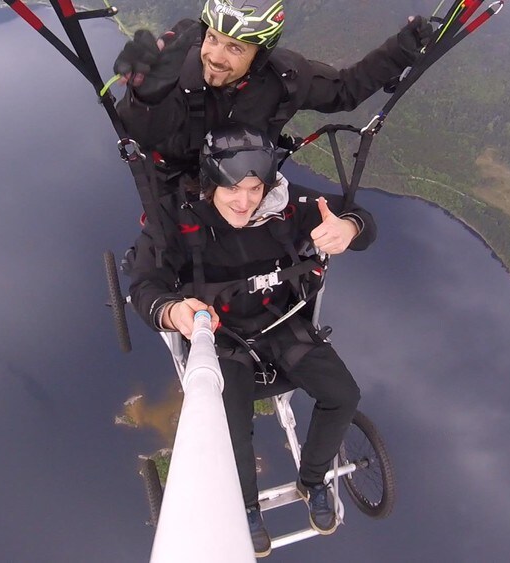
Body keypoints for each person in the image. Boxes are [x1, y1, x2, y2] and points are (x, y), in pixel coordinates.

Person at [127, 124, 376, 557]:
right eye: (232, 190)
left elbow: (360, 219)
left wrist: (349, 228)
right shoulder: (175, 218)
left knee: (343, 394)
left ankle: (313, 479)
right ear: (210, 184)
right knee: (232, 428)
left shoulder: (287, 204)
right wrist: (171, 311)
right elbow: (145, 285)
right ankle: (245, 507)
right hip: (222, 337)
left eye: (254, 189)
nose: (244, 202)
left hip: (283, 322)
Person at [113, 0, 433, 190]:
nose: (215, 56)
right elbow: (142, 134)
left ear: (260, 55)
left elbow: (343, 91)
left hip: (249, 191)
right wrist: (146, 96)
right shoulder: (177, 73)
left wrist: (397, 53)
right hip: (179, 192)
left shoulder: (285, 78)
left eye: (235, 47)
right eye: (212, 38)